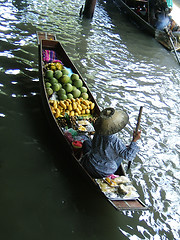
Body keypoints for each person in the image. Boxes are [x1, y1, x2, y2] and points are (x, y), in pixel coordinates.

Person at [80, 107, 141, 178]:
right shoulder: (114, 140)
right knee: (120, 157)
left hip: (88, 163)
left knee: (87, 142)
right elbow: (129, 156)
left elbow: (101, 145)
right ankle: (110, 174)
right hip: (102, 172)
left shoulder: (98, 131)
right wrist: (134, 140)